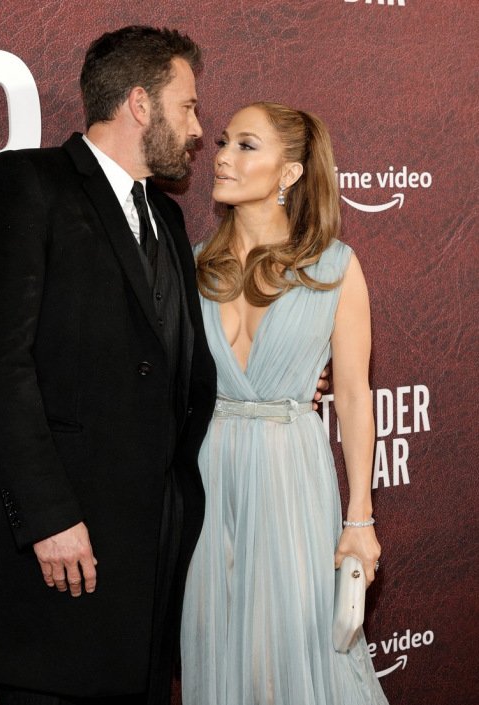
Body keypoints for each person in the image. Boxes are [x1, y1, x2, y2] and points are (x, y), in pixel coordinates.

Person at [0, 26, 218, 705]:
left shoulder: (163, 215)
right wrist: (46, 517)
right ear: (139, 103)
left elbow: (174, 361)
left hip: (149, 563)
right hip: (66, 552)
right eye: (187, 106)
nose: (196, 128)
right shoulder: (25, 184)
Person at [180, 102, 389, 705]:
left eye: (247, 146)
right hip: (207, 478)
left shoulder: (334, 268)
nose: (220, 156)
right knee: (216, 646)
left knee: (293, 655)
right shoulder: (190, 264)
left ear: (290, 174)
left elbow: (352, 394)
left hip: (291, 477)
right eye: (222, 141)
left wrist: (360, 518)